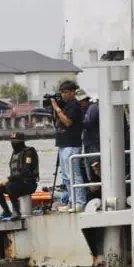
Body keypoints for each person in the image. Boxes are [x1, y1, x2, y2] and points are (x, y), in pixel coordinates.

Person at [50, 80, 86, 212]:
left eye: (66, 92)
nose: (63, 95)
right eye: (62, 93)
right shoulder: (66, 105)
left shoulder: (74, 105)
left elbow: (68, 122)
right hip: (63, 144)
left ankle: (80, 202)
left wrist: (57, 108)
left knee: (74, 174)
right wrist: (56, 109)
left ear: (72, 92)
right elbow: (57, 122)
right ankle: (71, 201)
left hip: (71, 144)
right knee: (66, 176)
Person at [0, 132, 40, 220]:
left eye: (16, 142)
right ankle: (6, 211)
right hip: (16, 184)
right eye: (12, 142)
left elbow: (26, 172)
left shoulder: (29, 152)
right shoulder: (15, 153)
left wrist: (9, 179)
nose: (13, 144)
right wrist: (10, 180)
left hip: (29, 184)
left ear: (21, 142)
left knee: (10, 186)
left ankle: (16, 211)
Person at [82, 94, 101, 192]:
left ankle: (97, 190)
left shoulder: (93, 108)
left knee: (97, 169)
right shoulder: (88, 109)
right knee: (93, 171)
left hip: (94, 145)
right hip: (90, 144)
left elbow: (87, 123)